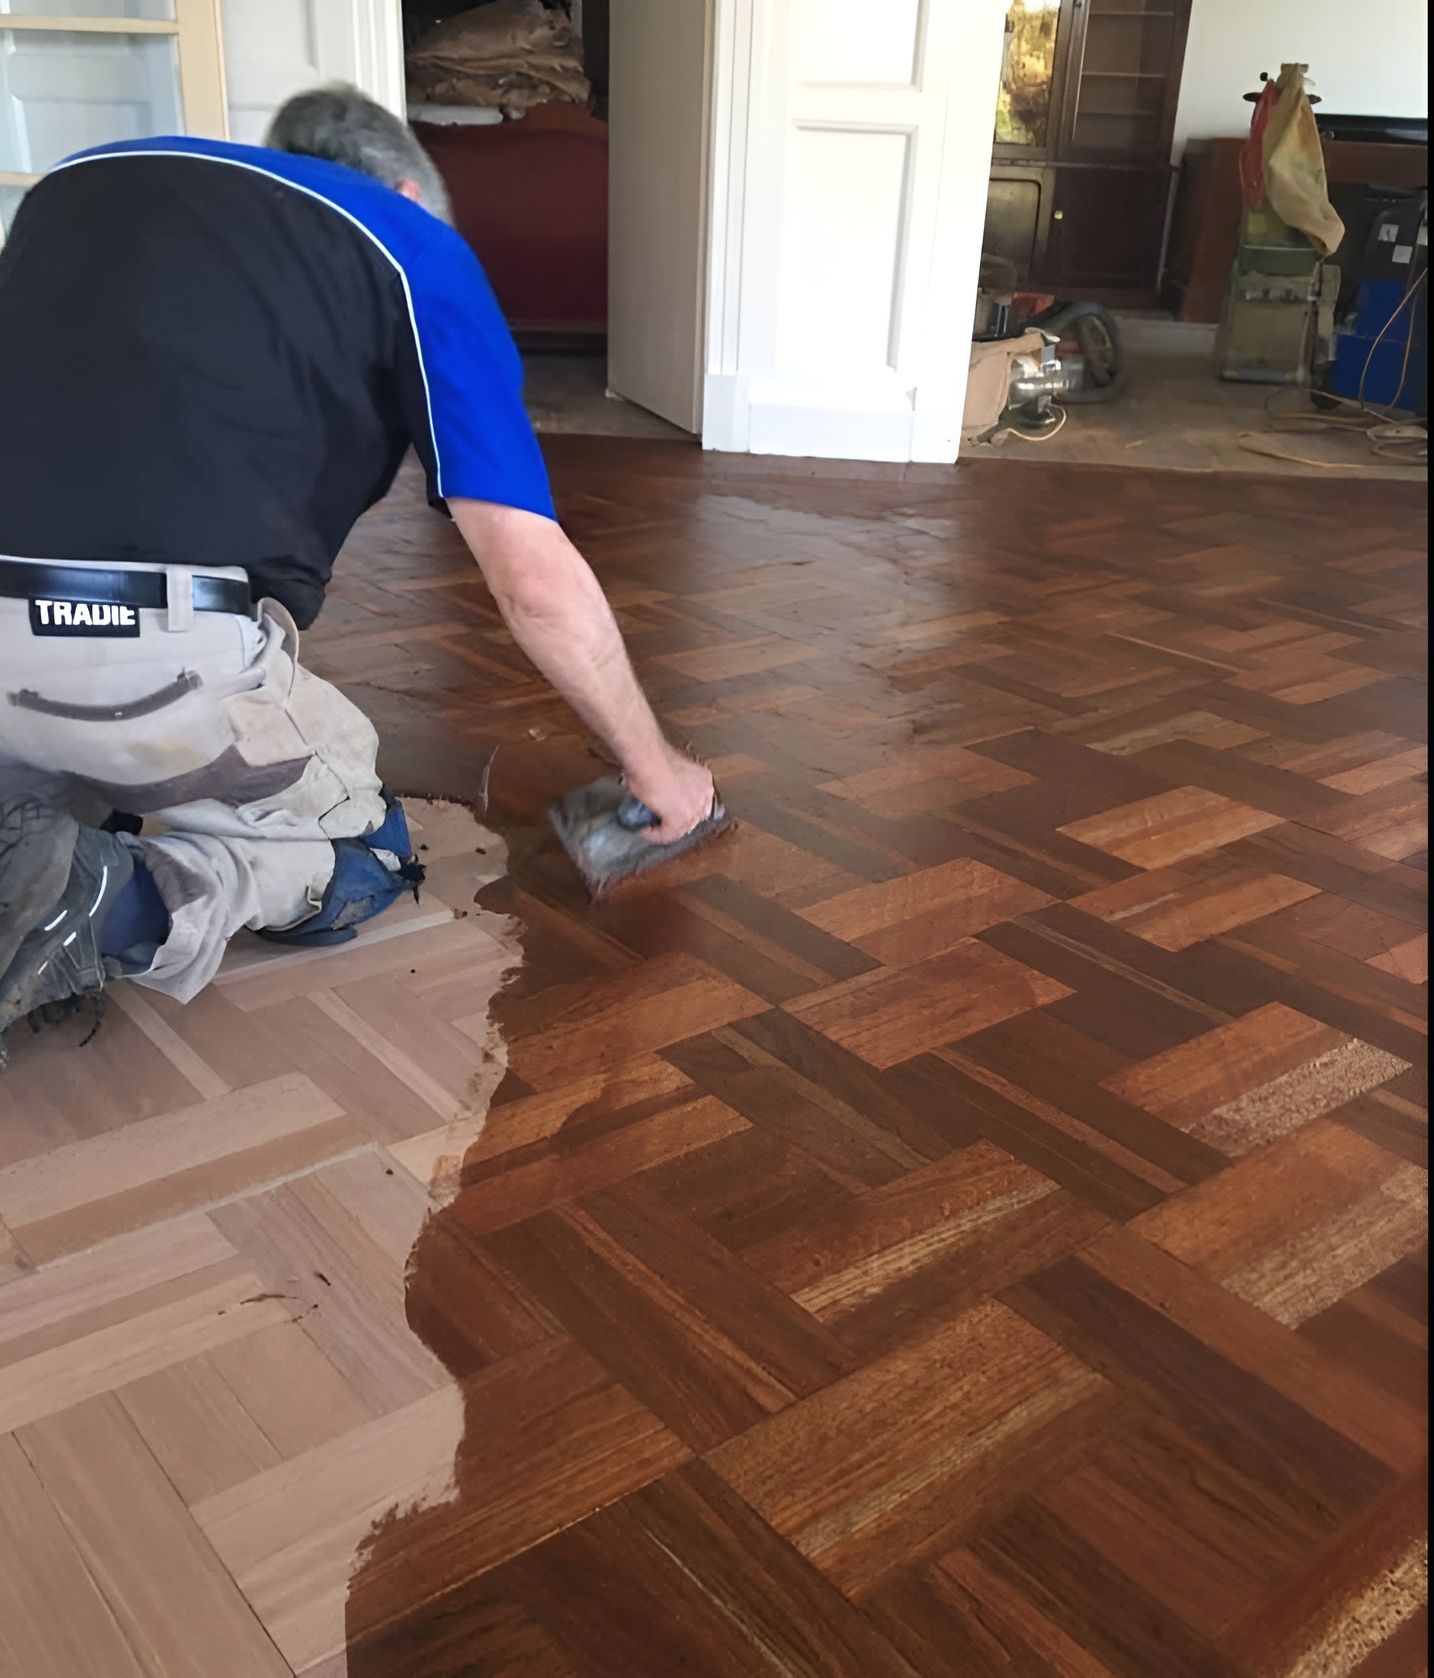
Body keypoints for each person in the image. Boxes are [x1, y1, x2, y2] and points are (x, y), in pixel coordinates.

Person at [0, 85, 713, 1055]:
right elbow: (532, 579)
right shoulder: (409, 240)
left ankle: (40, 809)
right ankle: (90, 907)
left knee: (72, 772)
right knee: (365, 858)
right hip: (131, 649)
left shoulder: (74, 186)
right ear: (409, 189)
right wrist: (656, 770)